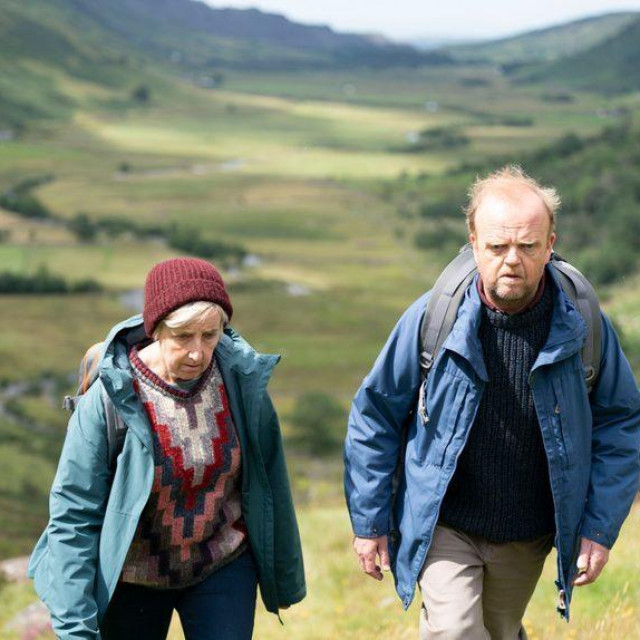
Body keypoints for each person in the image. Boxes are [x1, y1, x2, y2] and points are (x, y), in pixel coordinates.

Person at [344, 165, 640, 639]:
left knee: (500, 630)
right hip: (445, 520)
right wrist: (369, 520)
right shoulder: (433, 316)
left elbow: (621, 424)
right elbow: (375, 414)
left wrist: (599, 528)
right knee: (456, 631)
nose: (511, 260)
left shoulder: (583, 324)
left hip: (528, 529)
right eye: (498, 246)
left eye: (527, 246)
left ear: (549, 244)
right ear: (473, 243)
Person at [28, 257, 306, 640]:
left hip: (221, 562)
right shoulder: (111, 398)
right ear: (155, 329)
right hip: (131, 575)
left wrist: (284, 578)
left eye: (210, 336)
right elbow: (75, 513)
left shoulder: (240, 381)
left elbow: (270, 482)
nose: (197, 352)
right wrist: (75, 625)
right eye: (183, 337)